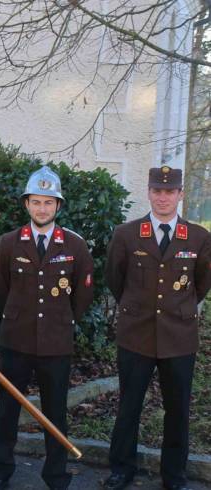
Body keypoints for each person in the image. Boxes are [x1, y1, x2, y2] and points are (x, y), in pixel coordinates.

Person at [0, 166, 94, 490]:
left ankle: (56, 476)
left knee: (55, 413)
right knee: (6, 412)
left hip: (56, 344)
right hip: (16, 341)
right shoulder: (9, 243)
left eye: (48, 202)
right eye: (36, 202)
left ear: (58, 206)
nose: (42, 208)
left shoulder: (74, 246)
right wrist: (20, 315)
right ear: (26, 205)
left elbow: (83, 293)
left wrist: (62, 320)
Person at [102, 165, 210, 490]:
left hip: (179, 338)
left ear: (180, 195)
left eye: (170, 191)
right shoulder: (127, 234)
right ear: (148, 192)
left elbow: (201, 284)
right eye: (157, 191)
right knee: (129, 406)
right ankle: (122, 469)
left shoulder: (199, 237)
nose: (163, 197)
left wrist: (178, 309)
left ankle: (174, 475)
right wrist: (137, 308)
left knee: (177, 411)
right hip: (136, 335)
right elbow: (115, 279)